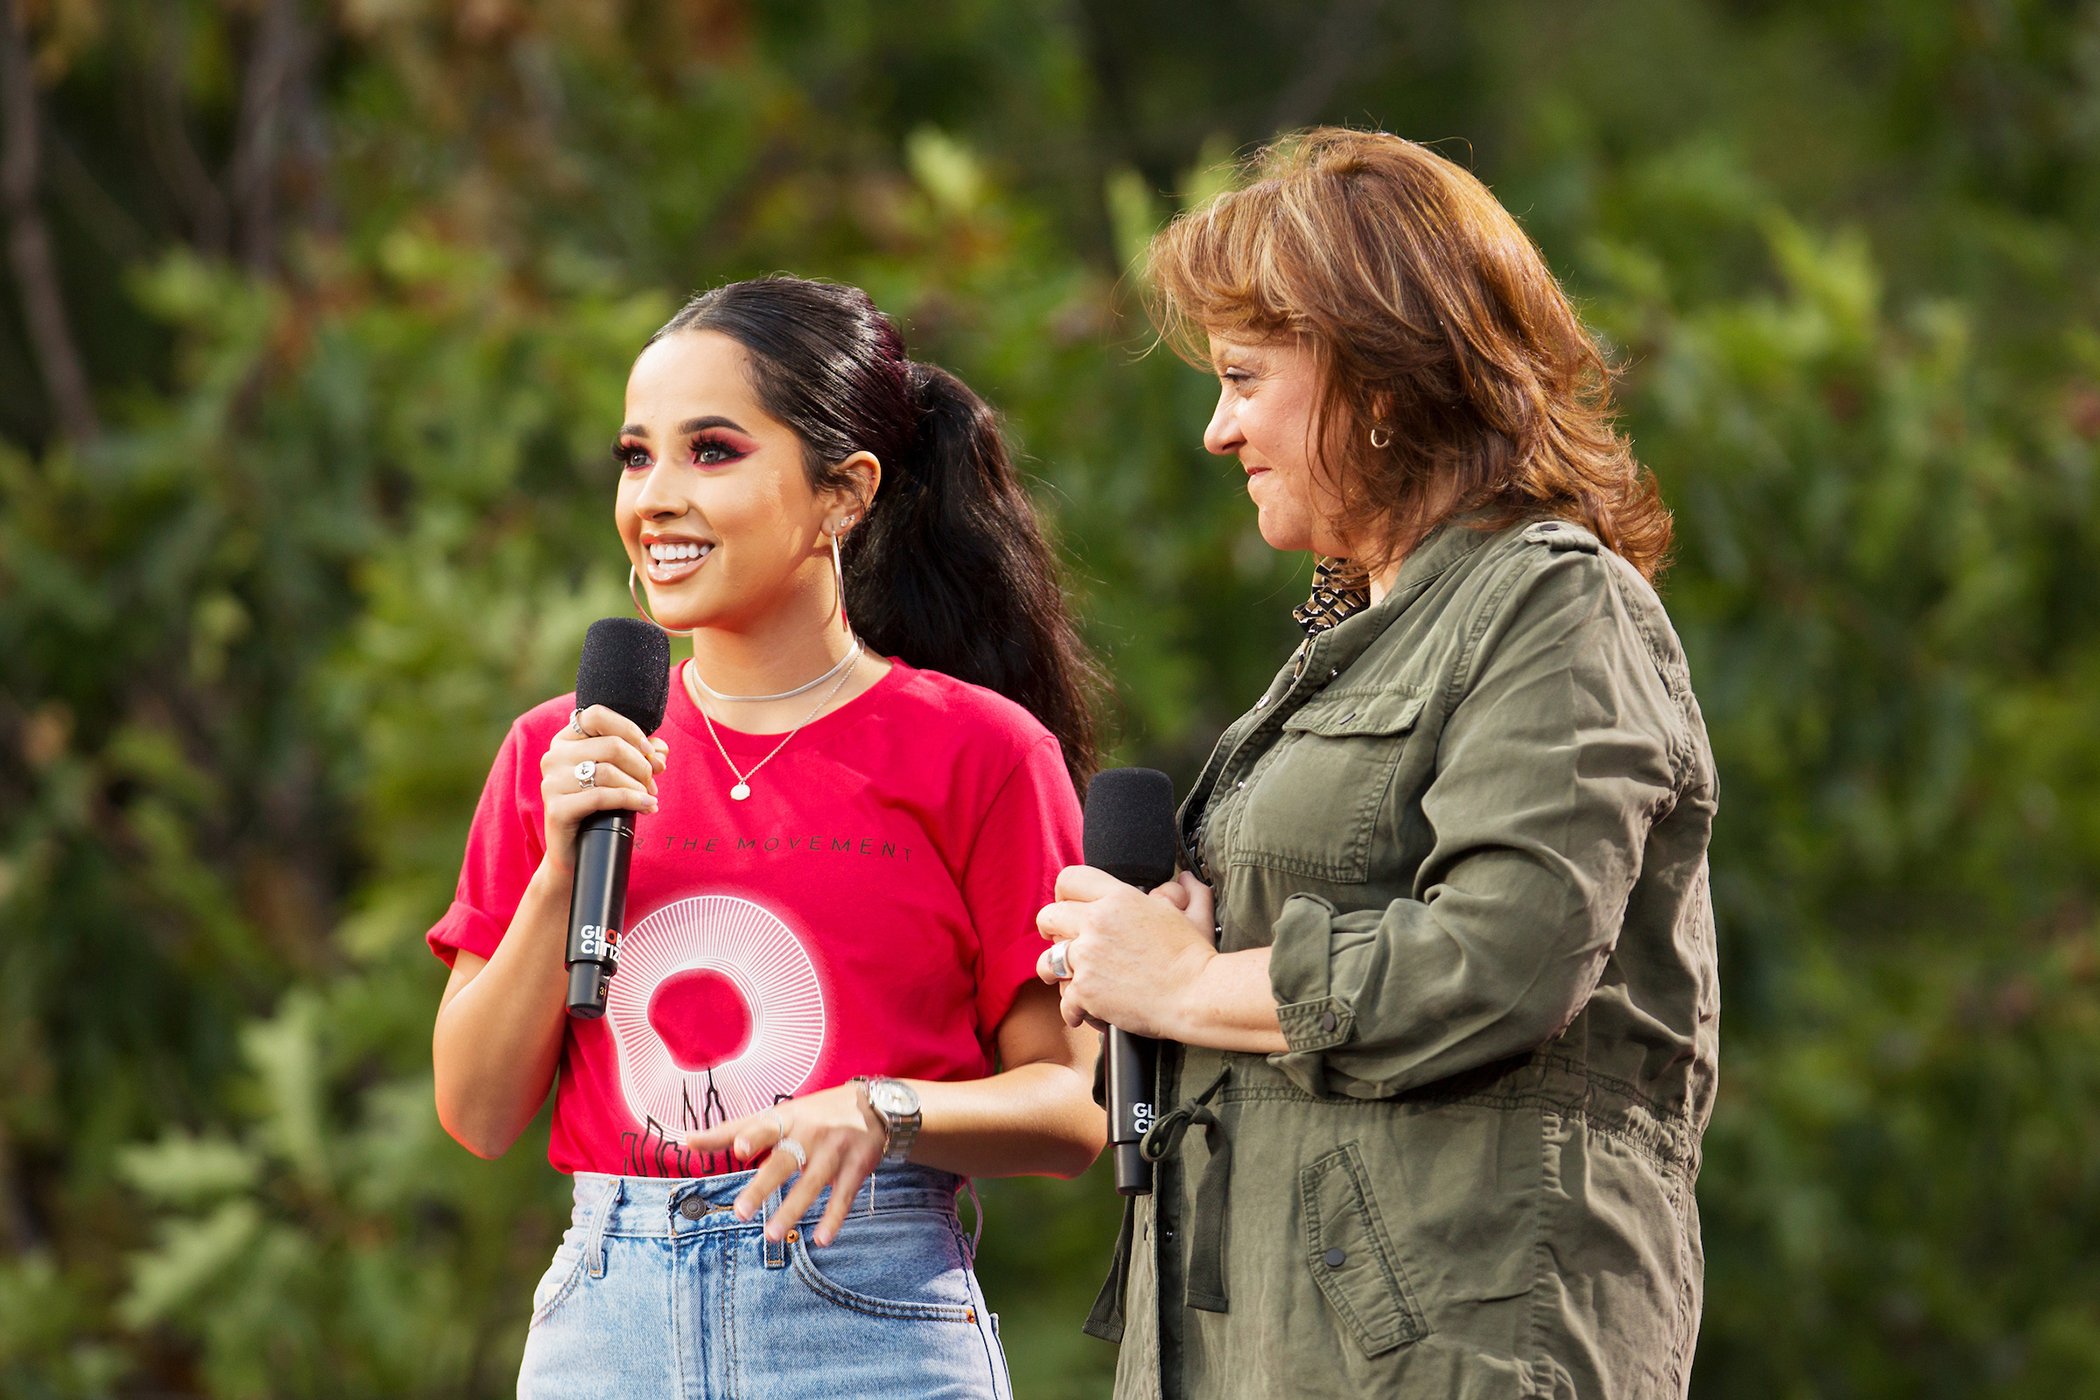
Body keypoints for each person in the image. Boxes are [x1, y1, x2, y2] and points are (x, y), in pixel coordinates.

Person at [1038, 129, 1719, 1398]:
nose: (1216, 429)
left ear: (1381, 380)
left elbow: (1502, 958)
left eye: (1244, 378)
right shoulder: (1360, 634)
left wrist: (1193, 985)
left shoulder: (1556, 606)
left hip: (1456, 1352)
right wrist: (1195, 938)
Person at [429, 275, 1107, 1398]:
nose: (655, 497)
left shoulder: (983, 753)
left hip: (872, 1315)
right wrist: (561, 868)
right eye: (635, 455)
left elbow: (1071, 1106)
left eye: (713, 451)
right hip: (609, 1322)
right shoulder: (564, 753)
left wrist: (886, 1110)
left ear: (844, 493)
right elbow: (479, 1111)